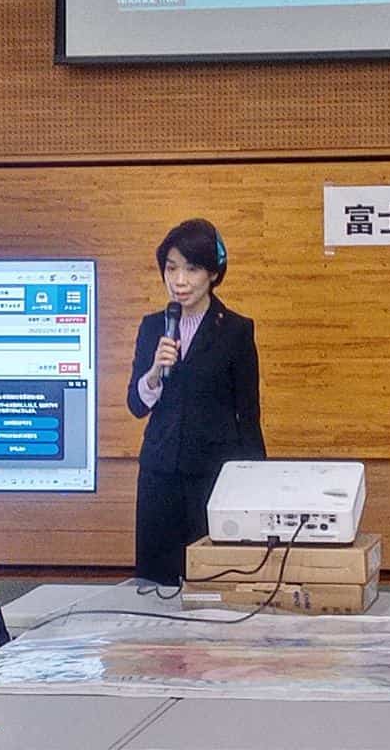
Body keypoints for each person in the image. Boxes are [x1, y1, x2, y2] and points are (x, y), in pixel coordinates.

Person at [126, 218, 266, 586]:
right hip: (159, 475)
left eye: (191, 269)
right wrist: (153, 373)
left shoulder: (235, 330)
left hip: (212, 475)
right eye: (171, 269)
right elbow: (136, 405)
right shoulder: (153, 327)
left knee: (211, 581)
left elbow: (248, 414)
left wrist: (255, 481)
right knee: (154, 584)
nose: (179, 281)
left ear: (213, 274)